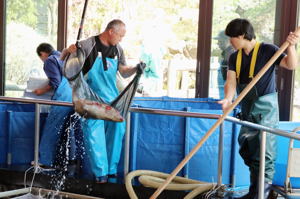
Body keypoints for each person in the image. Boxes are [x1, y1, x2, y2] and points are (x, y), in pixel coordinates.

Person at [218, 18, 299, 199]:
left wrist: (292, 47)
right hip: (247, 111)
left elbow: (291, 65)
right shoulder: (234, 57)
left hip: (266, 111)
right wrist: (228, 99)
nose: (230, 41)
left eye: (232, 38)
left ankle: (262, 192)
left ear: (242, 35)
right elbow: (231, 82)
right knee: (247, 148)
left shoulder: (268, 50)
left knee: (265, 152)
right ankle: (257, 190)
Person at [61, 19, 143, 183]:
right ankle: (101, 175)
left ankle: (111, 172)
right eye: (120, 35)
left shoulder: (118, 49)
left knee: (118, 129)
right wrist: (66, 52)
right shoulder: (86, 45)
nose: (121, 39)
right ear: (111, 31)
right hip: (90, 100)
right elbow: (66, 65)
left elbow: (123, 72)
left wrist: (135, 69)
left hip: (112, 101)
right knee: (94, 135)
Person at [35, 43, 81, 174]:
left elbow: (56, 82)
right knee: (71, 130)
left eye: (41, 58)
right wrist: (43, 90)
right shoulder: (65, 57)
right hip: (75, 95)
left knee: (51, 130)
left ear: (43, 54)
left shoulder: (49, 60)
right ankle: (73, 161)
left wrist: (42, 91)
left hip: (62, 97)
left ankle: (45, 162)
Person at [215, 31, 235, 98]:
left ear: (228, 41)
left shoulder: (231, 54)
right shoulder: (226, 53)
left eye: (220, 41)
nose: (218, 43)